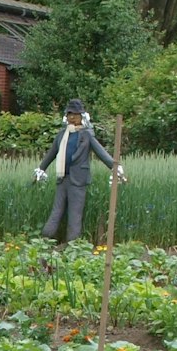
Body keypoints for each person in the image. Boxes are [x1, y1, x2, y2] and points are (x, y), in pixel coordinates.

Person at [35, 98, 125, 244]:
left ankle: (72, 244)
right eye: (69, 114)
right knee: (56, 211)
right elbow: (51, 154)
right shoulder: (62, 135)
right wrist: (41, 169)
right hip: (62, 179)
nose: (72, 117)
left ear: (82, 117)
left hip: (78, 181)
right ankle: (45, 240)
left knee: (75, 214)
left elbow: (101, 152)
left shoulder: (86, 135)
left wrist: (115, 167)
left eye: (75, 115)